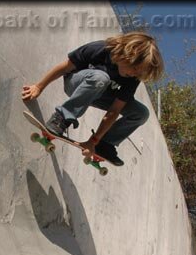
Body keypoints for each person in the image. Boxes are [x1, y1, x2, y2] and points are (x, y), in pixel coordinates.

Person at [21, 32, 164, 166]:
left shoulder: (132, 79)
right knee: (101, 78)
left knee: (141, 113)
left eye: (139, 74)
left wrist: (93, 141)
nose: (134, 75)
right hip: (75, 84)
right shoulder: (100, 49)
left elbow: (114, 111)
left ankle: (105, 143)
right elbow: (64, 67)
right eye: (135, 69)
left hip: (100, 95)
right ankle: (61, 118)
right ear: (127, 55)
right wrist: (39, 87)